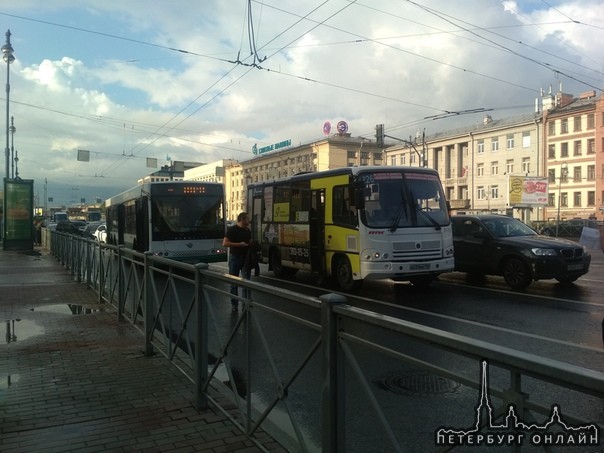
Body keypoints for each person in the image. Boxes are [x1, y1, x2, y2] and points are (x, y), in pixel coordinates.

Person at [223, 212, 252, 312]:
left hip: (246, 259)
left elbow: (249, 242)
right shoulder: (233, 230)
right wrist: (239, 244)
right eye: (248, 219)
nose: (249, 221)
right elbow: (225, 243)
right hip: (234, 258)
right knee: (233, 283)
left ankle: (246, 304)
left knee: (246, 282)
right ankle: (234, 305)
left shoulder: (247, 230)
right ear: (242, 219)